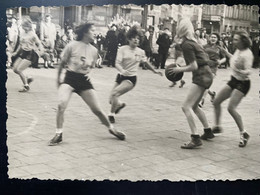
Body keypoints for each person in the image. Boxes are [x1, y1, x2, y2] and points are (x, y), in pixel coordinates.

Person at [48, 23, 125, 146]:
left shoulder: (94, 50)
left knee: (97, 110)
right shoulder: (72, 45)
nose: (95, 33)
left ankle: (112, 129)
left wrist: (90, 73)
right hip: (70, 78)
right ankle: (58, 133)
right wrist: (58, 80)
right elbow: (62, 63)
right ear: (85, 32)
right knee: (61, 104)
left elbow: (92, 65)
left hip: (84, 81)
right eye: (92, 30)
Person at [167, 18, 215, 149]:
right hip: (207, 74)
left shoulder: (187, 44)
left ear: (180, 29)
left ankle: (195, 138)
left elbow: (193, 66)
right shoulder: (194, 42)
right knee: (194, 106)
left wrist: (179, 69)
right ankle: (208, 131)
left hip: (200, 75)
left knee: (185, 106)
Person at [108, 26, 163, 124]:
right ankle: (120, 105)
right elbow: (117, 63)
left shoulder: (141, 52)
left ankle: (111, 114)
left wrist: (154, 71)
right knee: (111, 100)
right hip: (121, 76)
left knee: (115, 93)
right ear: (129, 39)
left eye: (138, 38)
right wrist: (122, 70)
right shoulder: (122, 49)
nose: (136, 40)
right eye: (134, 38)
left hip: (131, 79)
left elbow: (145, 63)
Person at [212, 30, 253, 147]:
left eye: (236, 39)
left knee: (231, 108)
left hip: (243, 83)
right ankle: (217, 127)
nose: (233, 41)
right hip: (234, 80)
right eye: (233, 39)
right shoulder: (238, 50)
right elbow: (234, 60)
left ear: (242, 41)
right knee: (216, 102)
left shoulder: (247, 54)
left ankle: (243, 133)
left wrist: (242, 71)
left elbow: (248, 70)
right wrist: (226, 52)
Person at [12, 18, 44, 92]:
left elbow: (39, 44)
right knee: (15, 69)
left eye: (25, 26)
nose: (23, 28)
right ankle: (28, 78)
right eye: (23, 26)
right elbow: (20, 44)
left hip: (30, 54)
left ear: (29, 26)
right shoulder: (22, 33)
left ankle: (26, 86)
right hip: (23, 52)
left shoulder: (33, 34)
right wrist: (16, 52)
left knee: (19, 69)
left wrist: (41, 52)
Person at [199, 33, 226, 107]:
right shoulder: (204, 46)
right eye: (212, 37)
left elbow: (224, 58)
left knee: (207, 83)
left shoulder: (219, 48)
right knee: (203, 84)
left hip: (213, 67)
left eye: (215, 37)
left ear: (217, 39)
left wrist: (220, 62)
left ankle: (202, 100)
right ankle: (212, 94)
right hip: (205, 66)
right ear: (209, 38)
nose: (213, 38)